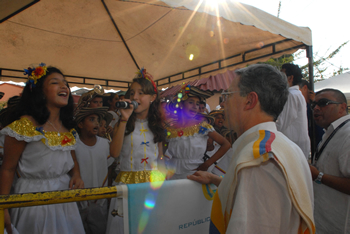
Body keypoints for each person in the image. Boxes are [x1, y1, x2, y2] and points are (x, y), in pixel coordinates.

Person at [188, 64, 315, 234]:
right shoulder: (284, 145)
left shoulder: (259, 160)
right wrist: (215, 178)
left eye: (227, 96)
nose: (222, 105)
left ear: (250, 100)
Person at [0, 64, 85, 234]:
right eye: (55, 82)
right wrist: (3, 207)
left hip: (63, 196)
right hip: (33, 197)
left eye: (65, 83)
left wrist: (76, 174)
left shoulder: (68, 127)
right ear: (40, 92)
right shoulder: (24, 126)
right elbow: (8, 169)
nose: (64, 86)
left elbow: (72, 158)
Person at [106, 68, 166, 234]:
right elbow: (114, 153)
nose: (135, 97)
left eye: (141, 93)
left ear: (153, 98)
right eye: (132, 93)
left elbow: (160, 157)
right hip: (128, 185)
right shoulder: (122, 122)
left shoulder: (157, 126)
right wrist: (124, 119)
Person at [164, 85, 230, 180]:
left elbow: (226, 144)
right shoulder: (171, 128)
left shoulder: (202, 126)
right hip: (172, 175)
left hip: (194, 174)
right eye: (191, 102)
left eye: (197, 103)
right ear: (181, 105)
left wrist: (207, 163)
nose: (195, 107)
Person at [309, 88, 350, 233]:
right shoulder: (331, 132)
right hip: (325, 222)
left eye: (323, 103)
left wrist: (318, 176)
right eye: (314, 105)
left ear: (342, 107)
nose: (317, 108)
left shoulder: (347, 134)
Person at [75, 107, 114, 234]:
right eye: (92, 120)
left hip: (100, 198)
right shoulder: (73, 145)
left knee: (100, 228)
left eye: (97, 120)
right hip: (79, 199)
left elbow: (109, 167)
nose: (97, 123)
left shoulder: (104, 144)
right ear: (80, 124)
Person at [277, 63, 310, 160]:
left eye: (282, 74)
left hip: (293, 144)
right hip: (295, 144)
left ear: (290, 78)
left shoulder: (291, 95)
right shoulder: (296, 94)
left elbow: (281, 123)